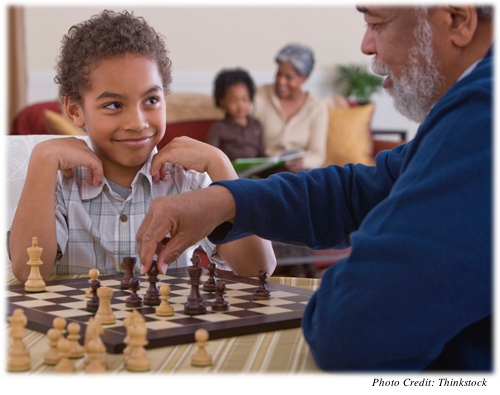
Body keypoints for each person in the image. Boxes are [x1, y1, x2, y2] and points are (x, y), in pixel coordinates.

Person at [136, 4, 494, 372]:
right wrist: (225, 199)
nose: (366, 45)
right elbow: (359, 193)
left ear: (458, 20)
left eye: (377, 24)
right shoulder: (467, 112)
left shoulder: (483, 118)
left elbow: (350, 327)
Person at [8, 10, 276, 282]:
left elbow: (259, 268)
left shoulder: (187, 179)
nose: (137, 123)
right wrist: (43, 156)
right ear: (75, 111)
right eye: (113, 105)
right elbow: (27, 271)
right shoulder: (59, 183)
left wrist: (220, 163)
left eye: (151, 100)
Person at [251, 44, 329, 173]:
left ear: (305, 78)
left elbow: (318, 154)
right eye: (278, 74)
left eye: (289, 77)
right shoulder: (258, 96)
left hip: (296, 174)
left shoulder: (317, 108)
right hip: (263, 173)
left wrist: (302, 162)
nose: (281, 81)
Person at [205, 69, 266, 162]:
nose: (240, 104)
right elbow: (209, 155)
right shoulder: (219, 128)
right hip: (229, 173)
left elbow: (262, 155)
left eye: (244, 99)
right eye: (233, 100)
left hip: (254, 174)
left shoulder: (256, 125)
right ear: (222, 102)